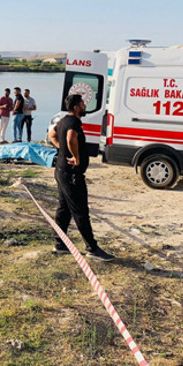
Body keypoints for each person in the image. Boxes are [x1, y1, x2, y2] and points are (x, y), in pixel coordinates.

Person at [48, 94, 115, 262]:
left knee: (64, 208)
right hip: (71, 175)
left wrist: (61, 148)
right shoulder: (74, 122)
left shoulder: (62, 120)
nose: (85, 106)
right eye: (83, 103)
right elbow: (71, 137)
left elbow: (52, 135)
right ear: (77, 107)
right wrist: (75, 156)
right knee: (80, 211)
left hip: (61, 171)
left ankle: (60, 244)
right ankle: (92, 248)